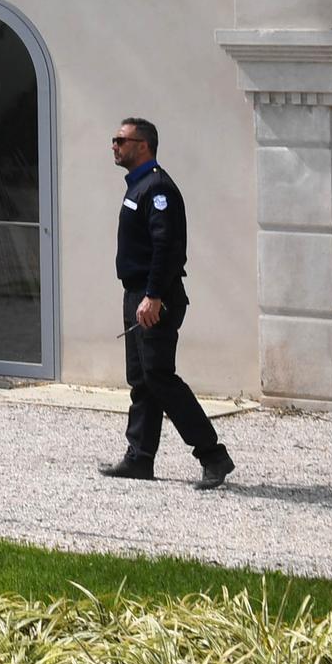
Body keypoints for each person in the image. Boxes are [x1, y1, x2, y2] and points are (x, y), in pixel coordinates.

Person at [99, 116, 235, 488]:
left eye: (121, 140)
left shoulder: (158, 189)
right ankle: (139, 458)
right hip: (138, 294)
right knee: (142, 379)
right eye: (115, 140)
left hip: (154, 296)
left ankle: (213, 455)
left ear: (142, 145)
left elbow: (166, 247)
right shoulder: (138, 186)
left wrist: (154, 296)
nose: (114, 145)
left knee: (160, 377)